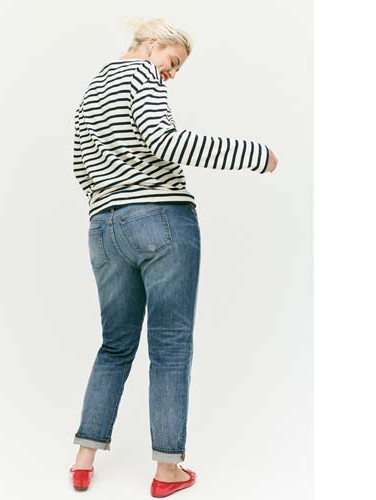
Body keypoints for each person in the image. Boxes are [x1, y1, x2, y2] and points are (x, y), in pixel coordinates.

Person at [69, 17, 278, 496]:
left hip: (103, 228)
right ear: (152, 44)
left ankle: (83, 459)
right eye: (173, 60)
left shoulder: (92, 89)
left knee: (115, 345)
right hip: (161, 221)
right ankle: (167, 472)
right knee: (170, 346)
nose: (171, 73)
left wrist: (114, 203)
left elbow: (82, 166)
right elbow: (165, 142)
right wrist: (254, 155)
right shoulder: (141, 74)